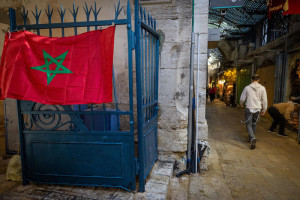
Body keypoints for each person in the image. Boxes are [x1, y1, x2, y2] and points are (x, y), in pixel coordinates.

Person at [240, 74, 268, 150]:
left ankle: (252, 138)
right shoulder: (262, 88)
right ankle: (251, 138)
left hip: (249, 108)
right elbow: (264, 100)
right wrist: (264, 110)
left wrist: (241, 104)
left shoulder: (247, 88)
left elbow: (242, 98)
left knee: (248, 124)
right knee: (254, 124)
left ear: (252, 80)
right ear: (259, 80)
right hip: (258, 109)